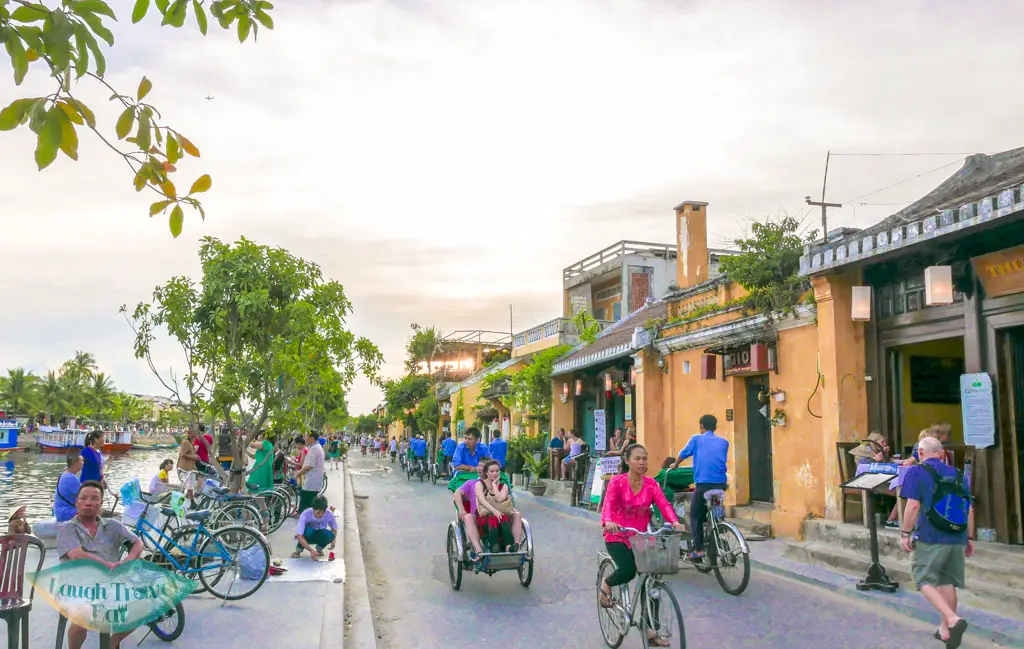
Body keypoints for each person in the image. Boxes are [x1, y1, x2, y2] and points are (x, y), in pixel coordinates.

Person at [599, 444, 683, 647]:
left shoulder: (651, 484)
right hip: (617, 535)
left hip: (642, 536)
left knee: (651, 582)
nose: (642, 462)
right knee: (627, 571)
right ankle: (606, 585)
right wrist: (608, 522)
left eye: (645, 458)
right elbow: (608, 504)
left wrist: (674, 521)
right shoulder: (617, 482)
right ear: (627, 460)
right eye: (637, 458)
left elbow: (663, 504)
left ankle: (650, 629)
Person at [900, 436, 973, 648]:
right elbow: (969, 507)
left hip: (931, 535)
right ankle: (945, 631)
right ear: (941, 454)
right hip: (957, 535)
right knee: (946, 581)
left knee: (923, 578)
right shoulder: (958, 474)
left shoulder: (917, 471)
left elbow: (913, 505)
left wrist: (905, 532)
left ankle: (952, 620)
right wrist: (968, 538)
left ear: (920, 453)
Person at [58, 481, 144, 649]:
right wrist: (109, 566)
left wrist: (129, 560)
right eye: (83, 498)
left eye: (94, 498)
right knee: (85, 613)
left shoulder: (112, 525)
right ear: (77, 502)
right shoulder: (67, 528)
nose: (88, 502)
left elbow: (137, 542)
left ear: (101, 503)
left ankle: (111, 644)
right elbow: (77, 556)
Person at [672, 414, 729, 561]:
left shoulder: (696, 439)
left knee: (695, 515)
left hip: (703, 484)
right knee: (713, 504)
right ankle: (718, 521)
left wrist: (676, 464)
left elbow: (683, 453)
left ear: (701, 426)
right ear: (715, 426)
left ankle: (698, 550)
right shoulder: (724, 442)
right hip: (721, 484)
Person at [474, 459, 522, 552]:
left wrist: (494, 485)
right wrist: (494, 511)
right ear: (486, 473)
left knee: (500, 517)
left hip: (501, 515)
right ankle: (494, 545)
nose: (494, 473)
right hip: (484, 516)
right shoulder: (479, 484)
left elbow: (500, 499)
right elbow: (482, 500)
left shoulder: (503, 486)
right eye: (491, 471)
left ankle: (508, 546)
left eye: (497, 471)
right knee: (494, 517)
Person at [291, 495, 338, 561]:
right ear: (313, 509)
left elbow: (334, 529)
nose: (321, 515)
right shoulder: (305, 514)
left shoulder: (328, 514)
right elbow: (299, 536)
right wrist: (311, 550)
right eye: (318, 512)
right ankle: (298, 550)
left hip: (319, 533)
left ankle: (319, 550)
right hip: (307, 535)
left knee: (330, 535)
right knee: (308, 530)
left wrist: (333, 540)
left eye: (323, 512)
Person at [295, 431, 325, 515]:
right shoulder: (316, 447)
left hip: (311, 481)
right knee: (308, 502)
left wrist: (298, 473)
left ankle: (305, 518)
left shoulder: (314, 449)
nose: (305, 439)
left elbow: (309, 466)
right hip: (313, 481)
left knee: (306, 503)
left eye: (306, 436)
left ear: (312, 438)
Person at [54, 450, 83, 522]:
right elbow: (83, 497)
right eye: (81, 461)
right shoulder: (71, 478)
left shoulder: (65, 473)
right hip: (66, 512)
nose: (83, 463)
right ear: (75, 463)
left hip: (60, 511)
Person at [177, 427, 201, 504]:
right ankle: (189, 502)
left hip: (190, 468)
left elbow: (190, 453)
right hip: (184, 468)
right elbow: (182, 454)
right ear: (189, 434)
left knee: (190, 486)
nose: (196, 434)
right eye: (194, 433)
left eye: (196, 433)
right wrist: (193, 457)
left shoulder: (191, 442)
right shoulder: (185, 442)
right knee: (185, 486)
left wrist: (194, 462)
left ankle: (191, 502)